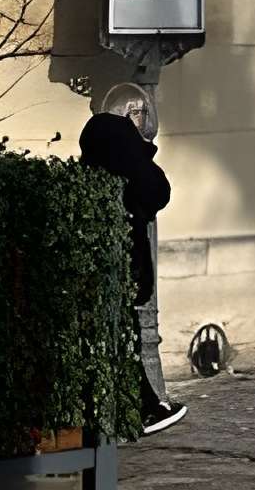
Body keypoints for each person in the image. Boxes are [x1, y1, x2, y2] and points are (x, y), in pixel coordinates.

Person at [76, 84, 185, 436]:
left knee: (117, 340)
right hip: (120, 266)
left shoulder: (95, 143)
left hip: (99, 266)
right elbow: (155, 191)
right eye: (137, 113)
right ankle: (143, 410)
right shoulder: (122, 146)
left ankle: (143, 407)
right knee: (123, 339)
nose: (142, 118)